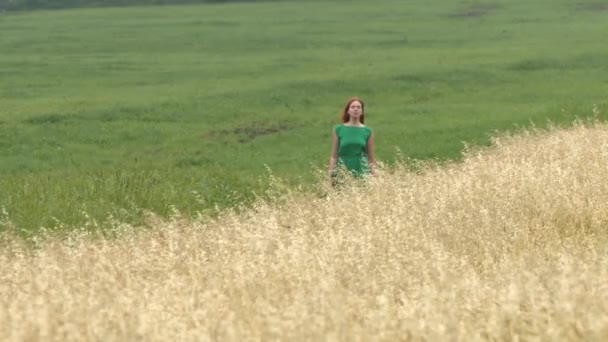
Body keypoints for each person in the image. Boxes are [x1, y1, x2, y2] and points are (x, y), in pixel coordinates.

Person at [328, 96, 376, 186]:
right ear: (348, 111)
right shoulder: (338, 129)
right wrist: (330, 176)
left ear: (361, 111)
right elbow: (334, 156)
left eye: (358, 107)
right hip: (342, 169)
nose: (355, 109)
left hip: (361, 169)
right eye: (353, 107)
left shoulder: (367, 131)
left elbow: (371, 158)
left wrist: (375, 176)